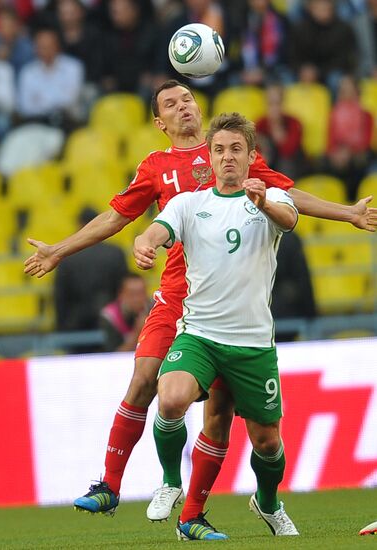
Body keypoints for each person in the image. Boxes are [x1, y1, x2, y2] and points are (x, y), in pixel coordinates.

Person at [24, 80, 377, 523]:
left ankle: (196, 512)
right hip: (176, 297)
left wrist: (346, 212)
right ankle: (113, 485)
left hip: (226, 305)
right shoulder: (156, 166)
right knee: (145, 379)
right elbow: (117, 217)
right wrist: (59, 249)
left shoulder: (228, 152)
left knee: (220, 418)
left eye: (187, 99)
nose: (183, 107)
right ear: (159, 122)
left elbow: (287, 197)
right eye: (171, 104)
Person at [133, 112, 299, 540]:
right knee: (169, 399)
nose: (227, 157)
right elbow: (156, 230)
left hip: (252, 344)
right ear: (209, 157)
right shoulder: (190, 203)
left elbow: (290, 219)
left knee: (267, 443)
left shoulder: (273, 196)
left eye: (236, 149)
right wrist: (144, 243)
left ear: (251, 156)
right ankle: (172, 483)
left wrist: (262, 202)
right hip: (200, 335)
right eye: (220, 150)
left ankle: (267, 502)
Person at [54, 207, 129, 337]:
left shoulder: (67, 256)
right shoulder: (115, 253)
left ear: (80, 224)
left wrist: (61, 326)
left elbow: (60, 294)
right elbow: (123, 288)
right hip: (109, 320)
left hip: (75, 324)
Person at [99, 272, 151, 352]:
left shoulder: (154, 310)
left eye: (141, 293)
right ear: (121, 294)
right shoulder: (110, 317)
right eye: (132, 294)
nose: (137, 299)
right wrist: (138, 332)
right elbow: (114, 356)